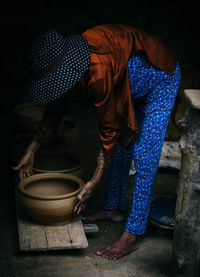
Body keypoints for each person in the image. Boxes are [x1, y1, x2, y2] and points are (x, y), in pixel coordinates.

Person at [13, 24, 181, 260]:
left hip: (161, 77)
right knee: (121, 146)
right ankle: (113, 209)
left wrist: (95, 179)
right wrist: (32, 149)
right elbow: (56, 109)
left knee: (144, 156)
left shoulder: (97, 69)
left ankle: (132, 235)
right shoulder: (68, 63)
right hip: (126, 87)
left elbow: (108, 127)